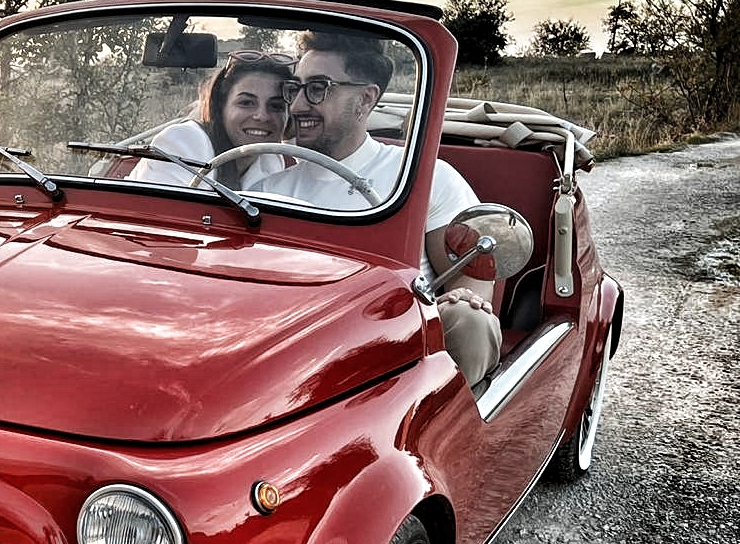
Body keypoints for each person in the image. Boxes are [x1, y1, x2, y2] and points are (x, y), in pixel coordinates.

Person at [248, 30, 502, 384]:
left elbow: (471, 279)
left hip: (394, 350)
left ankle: (449, 433)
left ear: (365, 99)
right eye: (296, 88)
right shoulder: (264, 189)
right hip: (287, 344)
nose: (300, 105)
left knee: (471, 319)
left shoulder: (423, 177)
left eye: (318, 88)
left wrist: (460, 301)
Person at [130, 51, 293, 190]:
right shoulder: (184, 142)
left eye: (276, 106)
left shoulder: (272, 161)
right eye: (246, 103)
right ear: (221, 106)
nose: (262, 116)